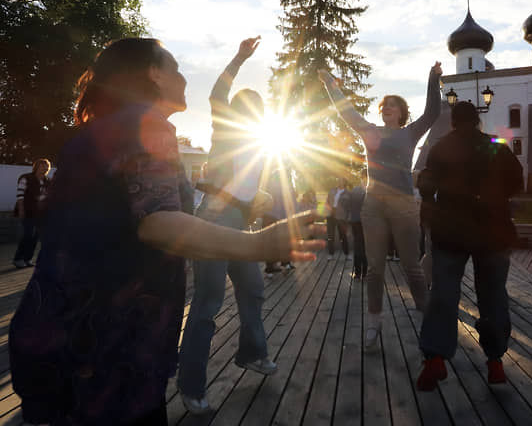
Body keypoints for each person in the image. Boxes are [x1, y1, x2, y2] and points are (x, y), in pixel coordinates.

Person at [8, 38, 322, 425]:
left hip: (54, 332)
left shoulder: (96, 132)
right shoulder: (147, 124)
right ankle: (201, 384)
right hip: (107, 353)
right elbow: (156, 222)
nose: (183, 77)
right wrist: (258, 243)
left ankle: (251, 352)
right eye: (175, 67)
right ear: (154, 73)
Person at [178, 37, 286, 414]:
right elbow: (217, 93)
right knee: (208, 301)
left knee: (253, 288)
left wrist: (260, 198)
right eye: (252, 107)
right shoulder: (225, 126)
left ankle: (252, 354)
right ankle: (191, 385)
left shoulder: (259, 142)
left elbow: (246, 183)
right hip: (213, 218)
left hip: (239, 220)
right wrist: (240, 57)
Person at [320, 62, 441, 349]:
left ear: (401, 112)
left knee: (411, 266)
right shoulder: (369, 131)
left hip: (402, 204)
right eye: (384, 105)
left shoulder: (410, 133)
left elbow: (433, 113)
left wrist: (432, 77)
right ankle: (373, 323)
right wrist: (329, 83)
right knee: (375, 270)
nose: (386, 108)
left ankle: (426, 315)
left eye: (392, 106)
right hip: (373, 203)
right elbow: (345, 111)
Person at [415, 102, 523, 390]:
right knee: (493, 295)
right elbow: (516, 181)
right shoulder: (495, 145)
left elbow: (426, 181)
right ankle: (495, 361)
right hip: (492, 230)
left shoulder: (442, 147)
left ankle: (435, 358)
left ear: (453, 122)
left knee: (444, 293)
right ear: (477, 121)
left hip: (451, 228)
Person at [12, 158, 51, 268]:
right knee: (27, 235)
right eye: (42, 166)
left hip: (40, 214)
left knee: (35, 237)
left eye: (47, 167)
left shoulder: (48, 180)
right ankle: (18, 259)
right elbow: (20, 195)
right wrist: (21, 210)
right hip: (28, 211)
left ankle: (27, 259)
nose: (45, 169)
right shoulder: (26, 178)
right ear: (36, 167)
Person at [344, 184, 367, 279]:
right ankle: (365, 273)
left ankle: (357, 273)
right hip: (365, 221)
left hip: (354, 220)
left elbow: (347, 205)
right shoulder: (370, 189)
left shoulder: (354, 189)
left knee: (357, 246)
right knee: (365, 247)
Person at [325, 178, 350, 259]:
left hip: (341, 216)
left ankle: (346, 254)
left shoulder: (347, 193)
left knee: (343, 235)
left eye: (341, 181)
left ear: (344, 182)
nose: (339, 182)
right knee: (330, 235)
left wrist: (347, 216)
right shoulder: (332, 190)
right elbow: (327, 202)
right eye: (338, 180)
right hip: (331, 214)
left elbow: (348, 206)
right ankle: (331, 254)